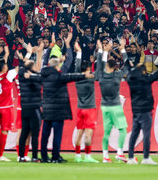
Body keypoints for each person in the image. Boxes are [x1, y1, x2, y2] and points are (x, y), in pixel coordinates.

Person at [40, 32, 92, 163]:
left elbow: (46, 60)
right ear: (57, 65)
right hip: (58, 111)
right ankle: (55, 157)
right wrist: (68, 45)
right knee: (57, 135)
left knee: (45, 134)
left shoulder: (44, 73)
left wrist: (52, 45)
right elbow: (70, 68)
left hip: (46, 109)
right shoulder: (60, 74)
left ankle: (45, 157)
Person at [126, 46, 158, 164]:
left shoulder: (130, 81)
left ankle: (131, 157)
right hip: (146, 111)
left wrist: (124, 52)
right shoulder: (146, 80)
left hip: (136, 111)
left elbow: (127, 68)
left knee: (134, 134)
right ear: (143, 71)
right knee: (146, 134)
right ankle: (146, 158)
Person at [96, 38, 129, 163]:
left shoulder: (101, 75)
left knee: (107, 132)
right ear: (116, 67)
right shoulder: (117, 75)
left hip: (104, 106)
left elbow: (100, 65)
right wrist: (123, 50)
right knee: (123, 130)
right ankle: (119, 153)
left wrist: (103, 51)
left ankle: (105, 156)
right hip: (115, 106)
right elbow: (127, 66)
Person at [17, 43, 45, 162]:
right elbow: (41, 75)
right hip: (34, 108)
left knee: (24, 133)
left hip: (24, 108)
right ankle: (34, 157)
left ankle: (21, 156)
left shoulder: (21, 75)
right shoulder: (36, 77)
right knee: (34, 133)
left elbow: (23, 66)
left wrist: (28, 54)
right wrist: (39, 53)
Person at [73, 40, 98, 163]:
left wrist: (79, 53)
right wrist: (101, 52)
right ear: (88, 69)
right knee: (88, 134)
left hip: (80, 108)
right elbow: (101, 70)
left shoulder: (78, 77)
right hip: (90, 108)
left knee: (79, 133)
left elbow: (77, 66)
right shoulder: (90, 79)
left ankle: (78, 156)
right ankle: (87, 156)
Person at [0, 46, 18, 162]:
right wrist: (26, 55)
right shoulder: (9, 74)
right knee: (5, 130)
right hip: (7, 107)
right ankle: (0, 155)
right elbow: (18, 68)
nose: (8, 66)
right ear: (4, 68)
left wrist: (6, 54)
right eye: (6, 65)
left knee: (2, 128)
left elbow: (2, 66)